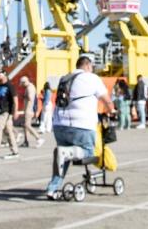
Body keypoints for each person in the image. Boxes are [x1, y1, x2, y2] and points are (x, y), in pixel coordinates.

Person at [44, 55, 115, 198]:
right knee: (88, 152)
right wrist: (112, 110)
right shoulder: (92, 78)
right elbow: (107, 100)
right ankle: (65, 152)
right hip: (82, 125)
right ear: (88, 66)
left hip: (59, 125)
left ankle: (53, 188)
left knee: (63, 156)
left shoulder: (65, 78)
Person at [19, 76, 43, 148]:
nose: (22, 86)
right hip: (28, 109)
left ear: (24, 82)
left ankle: (38, 138)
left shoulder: (30, 88)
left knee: (27, 125)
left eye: (22, 84)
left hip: (29, 109)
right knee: (25, 126)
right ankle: (26, 142)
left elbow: (30, 98)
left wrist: (23, 96)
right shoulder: (29, 87)